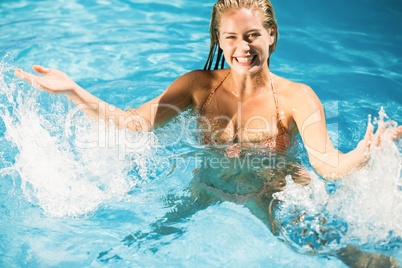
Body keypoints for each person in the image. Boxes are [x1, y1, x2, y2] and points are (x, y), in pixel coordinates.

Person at [14, 0, 401, 265]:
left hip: (271, 193)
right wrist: (73, 91)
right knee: (144, 241)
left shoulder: (298, 98)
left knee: (327, 250)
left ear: (271, 35)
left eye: (251, 35)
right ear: (218, 39)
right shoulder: (198, 87)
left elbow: (328, 165)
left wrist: (364, 153)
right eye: (230, 37)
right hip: (207, 184)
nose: (242, 47)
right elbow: (134, 124)